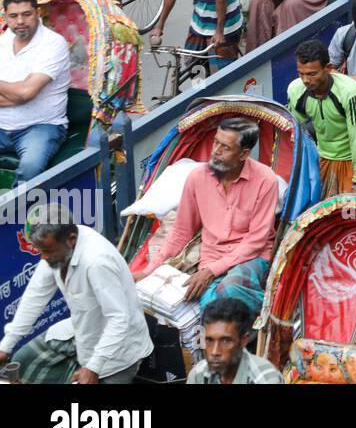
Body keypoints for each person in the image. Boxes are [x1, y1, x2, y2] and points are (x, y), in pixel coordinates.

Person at [138, 117, 279, 314]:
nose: (216, 152)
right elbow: (181, 231)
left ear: (244, 154)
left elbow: (256, 240)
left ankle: (268, 310)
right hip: (211, 256)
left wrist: (212, 272)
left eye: (225, 148)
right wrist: (149, 270)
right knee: (210, 305)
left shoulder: (266, 181)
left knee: (230, 290)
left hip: (252, 257)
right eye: (216, 142)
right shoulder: (197, 177)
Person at [0, 204, 153, 384]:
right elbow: (35, 296)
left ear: (71, 239)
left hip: (119, 352)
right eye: (41, 252)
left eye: (48, 251)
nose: (44, 258)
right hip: (82, 331)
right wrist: (6, 346)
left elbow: (119, 319)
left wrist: (93, 367)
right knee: (23, 359)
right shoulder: (57, 247)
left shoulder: (96, 261)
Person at [0, 0, 71, 184]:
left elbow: (26, 92)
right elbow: (22, 93)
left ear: (38, 13)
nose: (20, 21)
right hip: (2, 126)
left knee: (30, 167)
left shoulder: (53, 44)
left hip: (41, 126)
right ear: (6, 16)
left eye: (26, 14)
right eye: (13, 16)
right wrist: (17, 94)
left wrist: (19, 94)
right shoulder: (3, 41)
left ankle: (13, 214)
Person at [288, 40, 356, 196]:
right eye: (301, 74)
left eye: (312, 74)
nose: (306, 80)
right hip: (323, 155)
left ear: (328, 69)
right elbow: (296, 133)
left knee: (350, 213)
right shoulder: (295, 90)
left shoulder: (349, 91)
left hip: (354, 157)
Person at [186, 297, 283, 384]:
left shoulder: (264, 379)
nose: (214, 351)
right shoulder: (198, 375)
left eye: (225, 341)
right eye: (209, 340)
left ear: (243, 341)